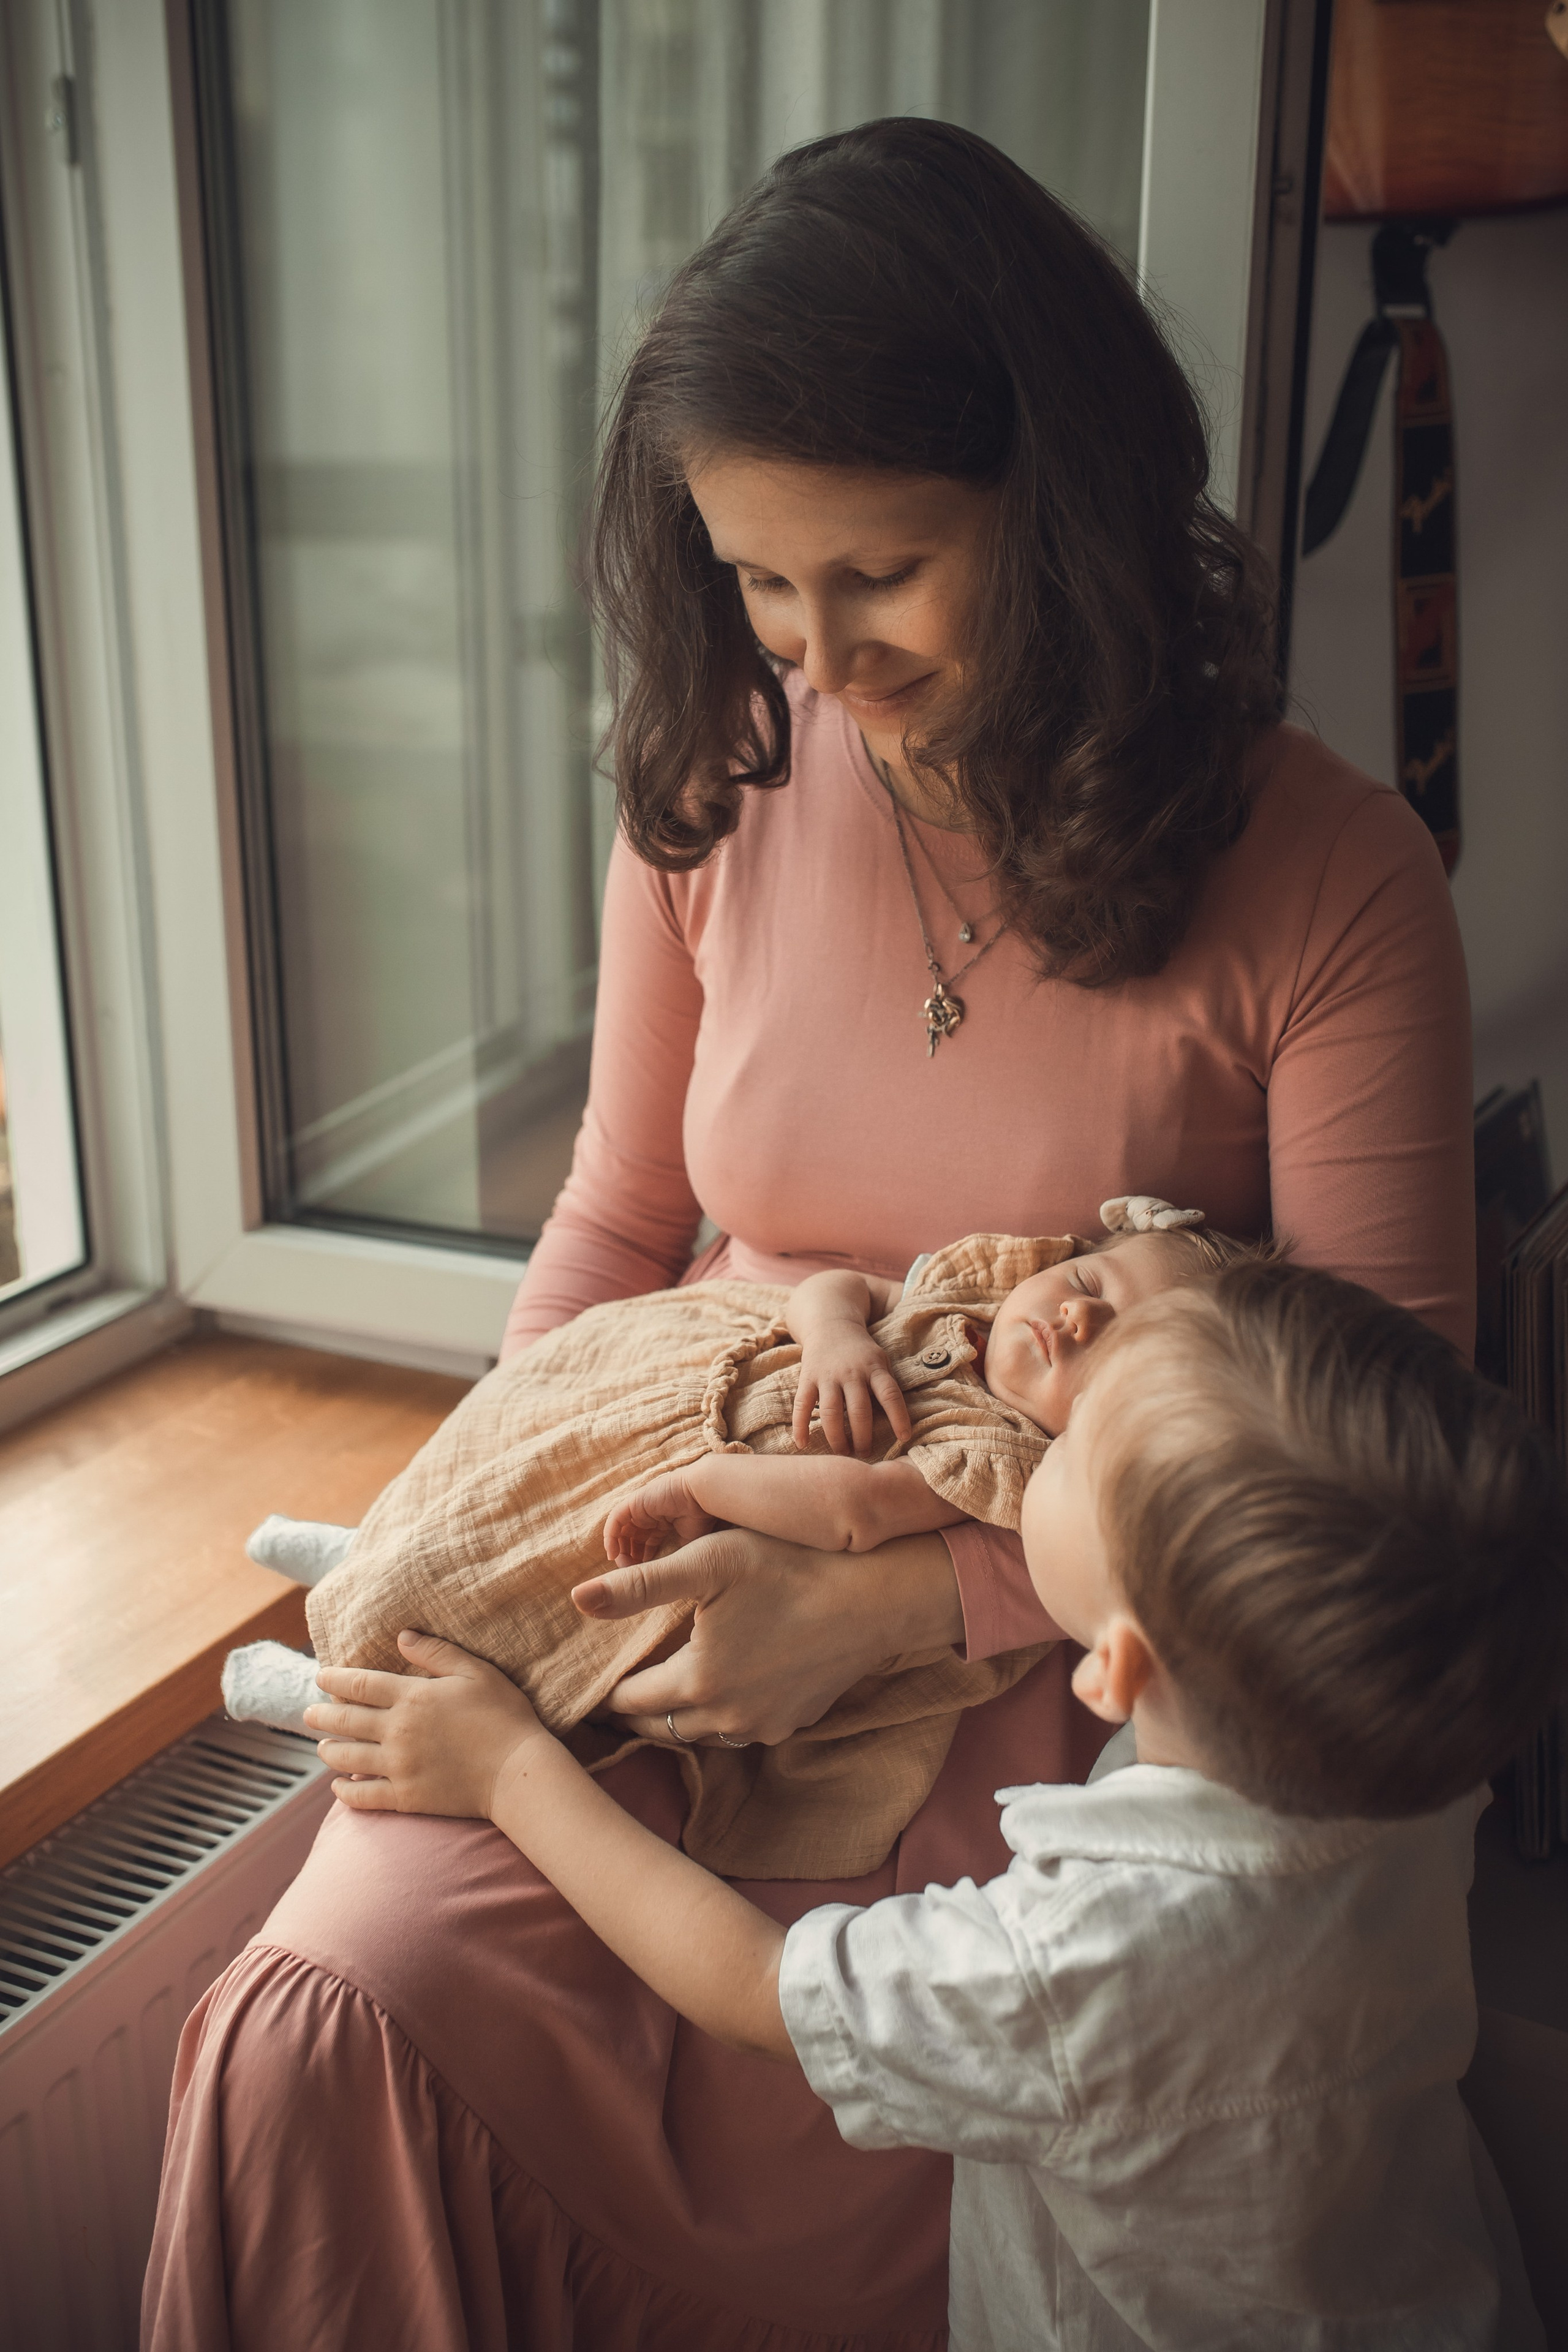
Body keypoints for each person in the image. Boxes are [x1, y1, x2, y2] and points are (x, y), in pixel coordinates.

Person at [143, 118, 1474, 2349]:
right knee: (335, 1996)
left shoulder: (1333, 887)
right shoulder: (725, 772)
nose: (815, 656)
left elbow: (1363, 1470)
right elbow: (618, 1218)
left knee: (913, 2157)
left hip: (1074, 1667)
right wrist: (484, 1520)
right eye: (758, 579)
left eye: (876, 573)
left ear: (1064, 519)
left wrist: (885, 1597)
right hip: (667, 1581)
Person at [301, 1262, 1564, 2348]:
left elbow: (758, 1989)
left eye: (1067, 1459)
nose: (1044, 1445)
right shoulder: (1406, 1758)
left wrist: (509, 1770)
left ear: (1114, 1669)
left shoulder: (1073, 1967)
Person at [224, 1210, 1261, 1883]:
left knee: (552, 1627)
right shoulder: (970, 1299)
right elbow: (840, 1286)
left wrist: (709, 1485)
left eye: (1117, 1343)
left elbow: (856, 1512)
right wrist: (836, 1338)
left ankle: (318, 1688)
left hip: (727, 1520)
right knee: (499, 1519)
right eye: (1098, 1280)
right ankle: (370, 1549)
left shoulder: (1009, 1470)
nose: (1078, 1315)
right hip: (706, 1380)